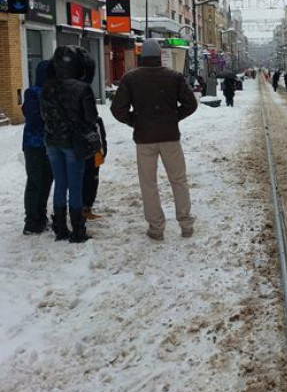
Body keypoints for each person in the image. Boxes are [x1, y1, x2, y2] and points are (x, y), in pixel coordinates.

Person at [111, 38, 197, 240]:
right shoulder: (174, 77)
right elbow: (190, 104)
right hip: (170, 137)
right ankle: (185, 224)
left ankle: (156, 227)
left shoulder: (130, 78)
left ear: (142, 56)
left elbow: (117, 109)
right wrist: (173, 117)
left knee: (148, 184)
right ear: (159, 56)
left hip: (145, 139)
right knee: (179, 180)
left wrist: (136, 121)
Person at [41, 46, 100, 243]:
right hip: (74, 143)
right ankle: (78, 230)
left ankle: (60, 228)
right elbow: (91, 117)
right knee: (75, 186)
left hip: (52, 141)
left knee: (60, 184)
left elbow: (44, 115)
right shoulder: (83, 88)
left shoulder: (47, 87)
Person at [21, 60, 53, 235]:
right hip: (34, 145)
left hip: (49, 145)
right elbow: (34, 115)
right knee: (35, 181)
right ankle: (31, 221)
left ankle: (40, 215)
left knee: (46, 180)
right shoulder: (32, 93)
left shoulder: (50, 92)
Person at [79, 52, 108, 221]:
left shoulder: (57, 88)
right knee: (90, 175)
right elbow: (91, 117)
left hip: (68, 138)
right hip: (87, 138)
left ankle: (78, 208)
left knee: (78, 176)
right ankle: (84, 207)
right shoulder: (84, 89)